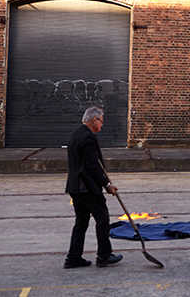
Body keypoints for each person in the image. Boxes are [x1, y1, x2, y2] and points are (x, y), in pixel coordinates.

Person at [64, 106, 123, 268]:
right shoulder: (88, 138)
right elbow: (92, 166)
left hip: (75, 187)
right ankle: (104, 255)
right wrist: (106, 185)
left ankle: (73, 257)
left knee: (81, 222)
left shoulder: (76, 134)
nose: (102, 125)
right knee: (102, 219)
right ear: (95, 119)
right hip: (87, 187)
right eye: (101, 121)